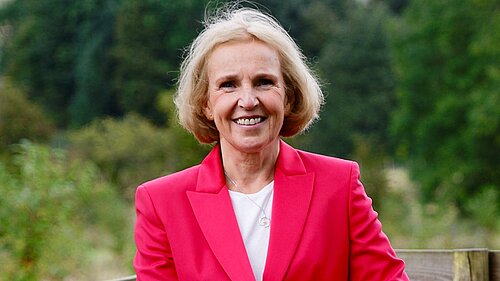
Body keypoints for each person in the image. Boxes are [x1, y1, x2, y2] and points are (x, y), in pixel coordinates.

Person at [134, 6, 409, 281]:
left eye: (264, 82)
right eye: (228, 85)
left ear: (288, 97)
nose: (248, 101)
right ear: (205, 103)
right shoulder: (161, 204)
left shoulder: (339, 185)